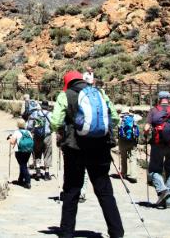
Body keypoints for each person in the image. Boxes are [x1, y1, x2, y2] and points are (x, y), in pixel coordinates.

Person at [51, 71, 124, 238]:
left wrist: (64, 130)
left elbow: (55, 122)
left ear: (67, 83)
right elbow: (114, 118)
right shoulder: (99, 93)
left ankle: (67, 232)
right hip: (100, 148)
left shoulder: (65, 95)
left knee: (71, 190)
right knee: (104, 191)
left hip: (74, 149)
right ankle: (117, 232)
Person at [143, 91, 170, 208]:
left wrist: (146, 133)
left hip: (157, 145)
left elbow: (146, 128)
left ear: (159, 99)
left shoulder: (153, 111)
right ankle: (168, 201)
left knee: (153, 170)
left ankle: (162, 189)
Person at [28, 100, 53, 180]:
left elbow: (29, 126)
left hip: (37, 136)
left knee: (37, 152)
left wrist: (32, 132)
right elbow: (54, 125)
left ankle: (38, 172)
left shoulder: (35, 113)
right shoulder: (50, 114)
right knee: (47, 153)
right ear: (48, 107)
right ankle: (46, 174)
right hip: (47, 136)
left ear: (41, 106)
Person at [118, 106, 142, 183]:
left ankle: (123, 173)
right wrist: (131, 113)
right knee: (133, 157)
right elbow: (140, 117)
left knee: (123, 157)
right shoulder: (134, 117)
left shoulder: (120, 118)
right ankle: (133, 175)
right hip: (133, 140)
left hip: (122, 140)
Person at [9, 118, 34, 189]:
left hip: (19, 151)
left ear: (18, 125)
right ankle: (20, 179)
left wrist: (10, 138)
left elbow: (12, 142)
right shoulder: (28, 132)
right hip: (28, 151)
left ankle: (27, 181)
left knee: (23, 165)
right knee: (23, 164)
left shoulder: (16, 132)